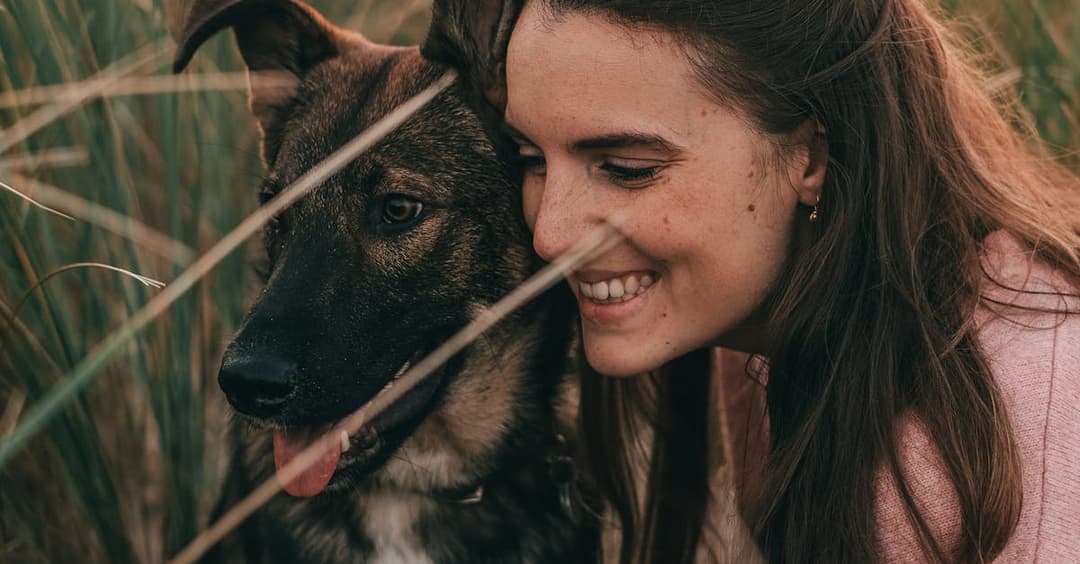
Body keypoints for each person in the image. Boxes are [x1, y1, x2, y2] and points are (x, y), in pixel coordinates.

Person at [488, 0, 1080, 562]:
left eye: (628, 170)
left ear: (811, 159)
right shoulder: (772, 321)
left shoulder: (971, 461)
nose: (551, 235)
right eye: (531, 159)